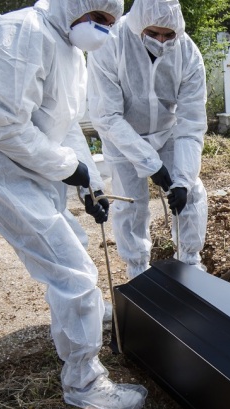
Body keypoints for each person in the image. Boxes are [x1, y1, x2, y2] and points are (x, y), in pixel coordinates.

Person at [0, 0, 147, 409]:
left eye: (110, 24)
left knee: (72, 247)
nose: (103, 30)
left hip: (30, 167)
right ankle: (84, 382)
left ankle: (89, 321)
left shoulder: (68, 49)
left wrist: (89, 183)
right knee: (72, 271)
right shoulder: (23, 33)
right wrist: (68, 168)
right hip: (0, 170)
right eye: (98, 18)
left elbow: (65, 125)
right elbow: (2, 126)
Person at [88, 0, 209, 280]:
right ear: (138, 26)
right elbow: (107, 115)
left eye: (169, 35)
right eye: (154, 34)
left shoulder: (187, 52)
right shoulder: (111, 43)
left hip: (166, 133)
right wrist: (149, 163)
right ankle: (138, 272)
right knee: (131, 204)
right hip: (122, 136)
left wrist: (182, 179)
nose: (162, 41)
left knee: (191, 195)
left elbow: (191, 123)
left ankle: (190, 265)